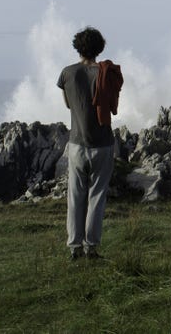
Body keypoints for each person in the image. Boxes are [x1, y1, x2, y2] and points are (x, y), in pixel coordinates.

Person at [57, 26, 123, 261]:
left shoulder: (67, 73)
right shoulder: (107, 73)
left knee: (75, 196)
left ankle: (74, 247)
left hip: (77, 144)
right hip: (103, 144)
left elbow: (68, 105)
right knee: (96, 197)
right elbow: (113, 103)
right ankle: (91, 248)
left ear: (77, 47)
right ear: (100, 48)